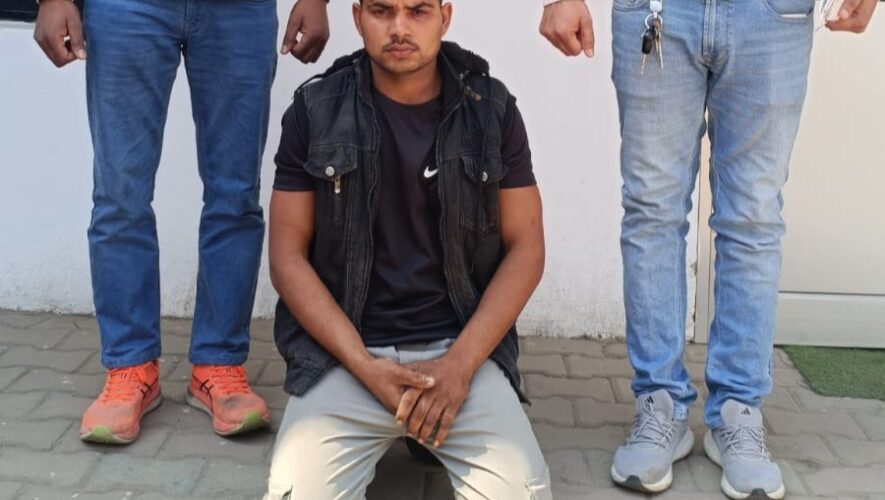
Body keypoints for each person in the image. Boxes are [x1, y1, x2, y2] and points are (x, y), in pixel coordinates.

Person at [538, 0, 879, 498]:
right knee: (652, 210)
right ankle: (659, 405)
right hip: (656, 10)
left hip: (772, 15)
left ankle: (738, 413)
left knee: (753, 220)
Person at [264, 1, 551, 498]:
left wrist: (459, 367)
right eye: (382, 11)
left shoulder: (491, 109)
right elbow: (287, 258)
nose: (399, 28)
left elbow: (526, 249)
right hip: (347, 356)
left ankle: (428, 429)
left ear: (445, 17)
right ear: (358, 18)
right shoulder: (315, 110)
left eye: (418, 11)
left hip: (460, 354)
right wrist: (363, 365)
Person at [33, 0, 332, 444]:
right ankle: (131, 366)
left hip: (239, 10)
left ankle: (218, 364)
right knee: (120, 195)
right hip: (126, 8)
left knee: (235, 195)